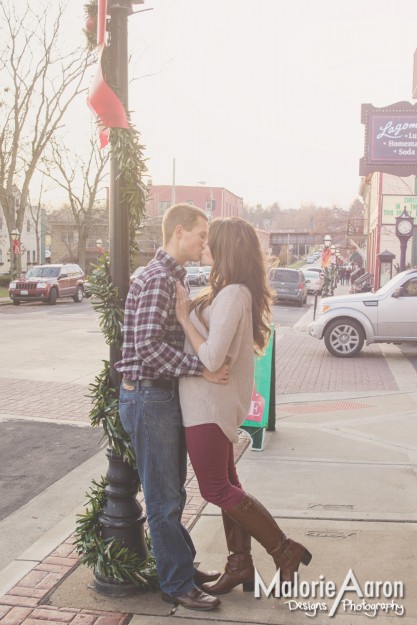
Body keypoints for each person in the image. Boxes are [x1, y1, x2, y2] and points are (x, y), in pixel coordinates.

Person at [175, 216, 312, 596]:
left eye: (210, 240)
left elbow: (215, 356)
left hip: (209, 406)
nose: (204, 245)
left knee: (215, 489)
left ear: (226, 248)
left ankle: (284, 551)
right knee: (229, 486)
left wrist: (185, 318)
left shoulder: (234, 293)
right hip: (208, 404)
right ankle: (240, 567)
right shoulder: (229, 291)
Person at [116, 203, 231, 612]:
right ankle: (176, 582)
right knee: (164, 497)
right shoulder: (158, 278)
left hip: (160, 395)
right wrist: (200, 368)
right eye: (201, 234)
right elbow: (146, 348)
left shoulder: (172, 277)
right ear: (179, 231)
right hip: (149, 396)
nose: (205, 241)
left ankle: (179, 563)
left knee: (172, 493)